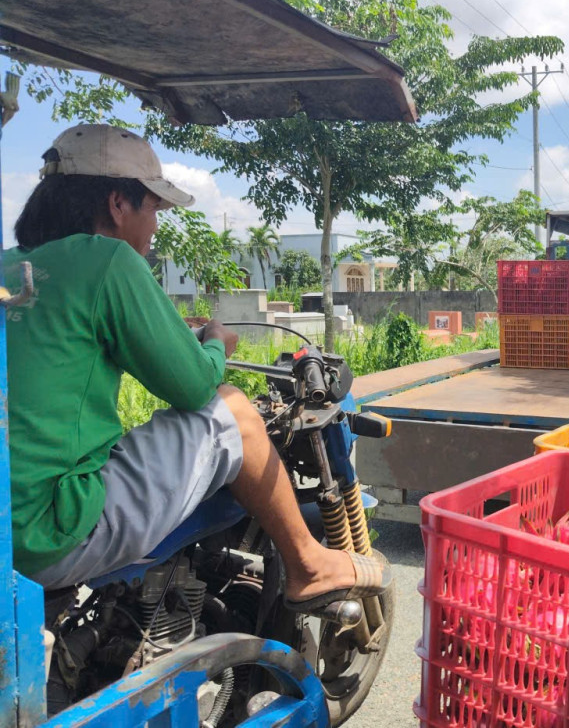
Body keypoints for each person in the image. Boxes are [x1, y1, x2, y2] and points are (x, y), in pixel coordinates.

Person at [2, 124, 389, 611]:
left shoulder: (11, 265)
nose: (155, 227)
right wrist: (216, 344)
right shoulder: (107, 259)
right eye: (153, 209)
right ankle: (308, 564)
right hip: (49, 527)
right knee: (233, 410)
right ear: (118, 204)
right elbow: (193, 386)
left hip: (9, 520)